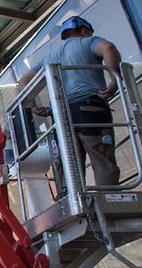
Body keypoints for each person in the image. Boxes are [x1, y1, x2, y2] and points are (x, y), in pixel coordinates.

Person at [17, 15, 122, 188]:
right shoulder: (88, 42)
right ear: (84, 31)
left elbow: (23, 81)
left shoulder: (50, 56)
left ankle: (72, 201)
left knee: (69, 165)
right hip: (90, 108)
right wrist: (114, 80)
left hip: (61, 116)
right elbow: (108, 48)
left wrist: (33, 106)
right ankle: (109, 199)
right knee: (102, 159)